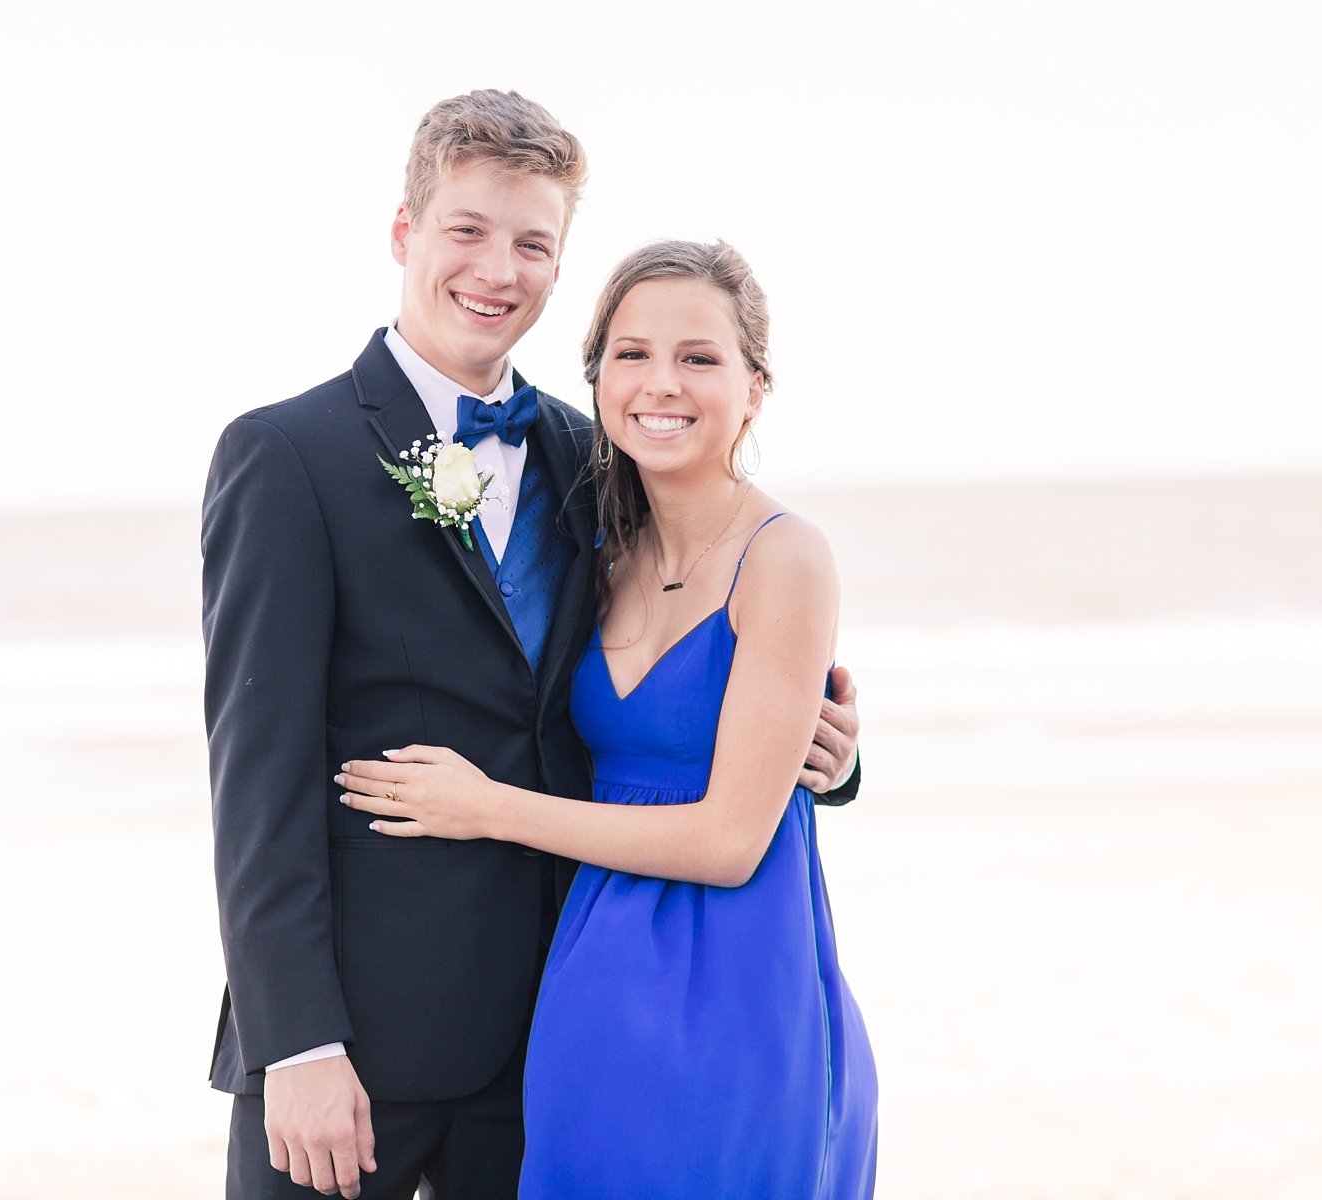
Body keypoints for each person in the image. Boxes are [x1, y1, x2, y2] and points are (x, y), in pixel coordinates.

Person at [201, 91, 862, 1200]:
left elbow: (673, 656)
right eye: (467, 231)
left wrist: (826, 748)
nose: (496, 269)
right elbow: (254, 778)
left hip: (557, 1028)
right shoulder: (287, 456)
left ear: (560, 268)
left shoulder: (587, 452)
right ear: (405, 233)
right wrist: (297, 1043)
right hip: (355, 1044)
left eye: (532, 244)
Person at [338, 240, 877, 1197]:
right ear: (596, 379)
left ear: (755, 386)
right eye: (632, 354)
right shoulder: (593, 544)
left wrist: (484, 806)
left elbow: (727, 842)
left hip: (741, 988)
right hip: (589, 985)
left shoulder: (787, 557)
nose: (661, 383)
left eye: (699, 358)